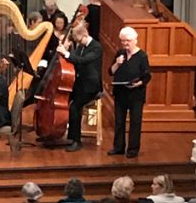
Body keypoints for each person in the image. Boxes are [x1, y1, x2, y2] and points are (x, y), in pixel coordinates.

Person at [55, 21, 102, 151]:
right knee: (62, 100)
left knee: (75, 107)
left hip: (91, 87)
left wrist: (66, 53)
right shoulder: (81, 46)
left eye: (78, 40)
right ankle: (58, 132)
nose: (78, 42)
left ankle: (76, 140)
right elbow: (74, 60)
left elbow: (83, 60)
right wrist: (65, 50)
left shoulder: (96, 47)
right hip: (79, 84)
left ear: (84, 35)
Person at [108, 26, 151, 158]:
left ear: (134, 40)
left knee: (135, 122)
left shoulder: (142, 56)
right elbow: (110, 72)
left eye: (127, 41)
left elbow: (147, 76)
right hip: (120, 93)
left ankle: (133, 149)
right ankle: (118, 147)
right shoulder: (120, 53)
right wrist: (117, 64)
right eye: (123, 41)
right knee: (119, 121)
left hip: (136, 94)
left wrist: (137, 84)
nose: (125, 43)